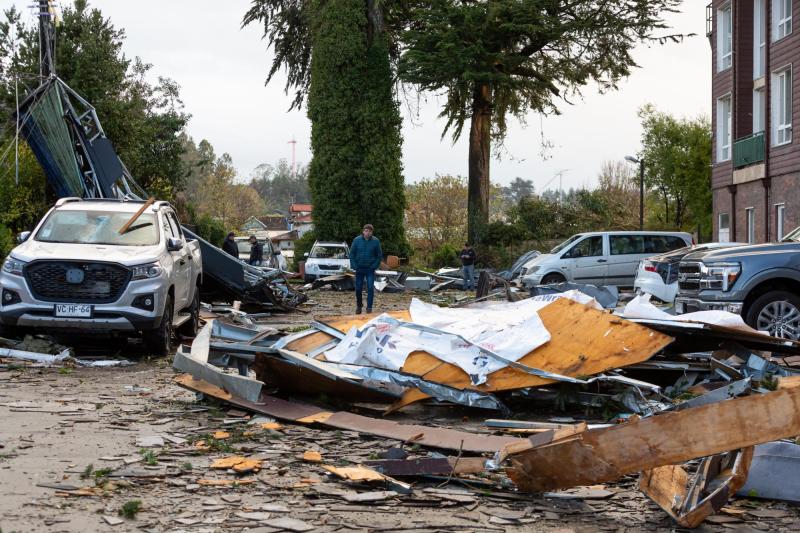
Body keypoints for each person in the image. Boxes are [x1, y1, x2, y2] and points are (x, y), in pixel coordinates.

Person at [349, 224, 382, 314]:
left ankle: (369, 307)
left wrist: (374, 266)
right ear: (363, 231)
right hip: (359, 268)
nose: (368, 233)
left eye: (369, 231)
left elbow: (379, 256)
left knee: (370, 288)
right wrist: (354, 265)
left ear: (372, 232)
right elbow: (352, 254)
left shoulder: (376, 241)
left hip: (370, 269)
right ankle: (359, 306)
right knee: (358, 288)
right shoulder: (356, 240)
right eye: (366, 231)